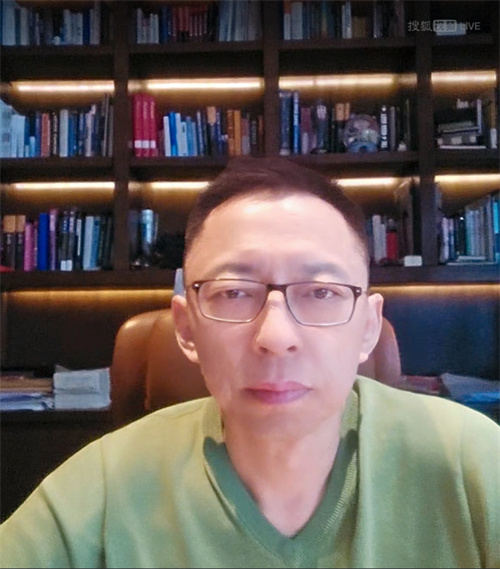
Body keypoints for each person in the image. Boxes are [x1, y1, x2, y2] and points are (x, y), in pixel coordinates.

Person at [0, 157, 498, 568]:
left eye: (321, 291)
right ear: (186, 328)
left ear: (368, 327)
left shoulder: (470, 461)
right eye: (234, 292)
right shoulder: (100, 488)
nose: (276, 337)